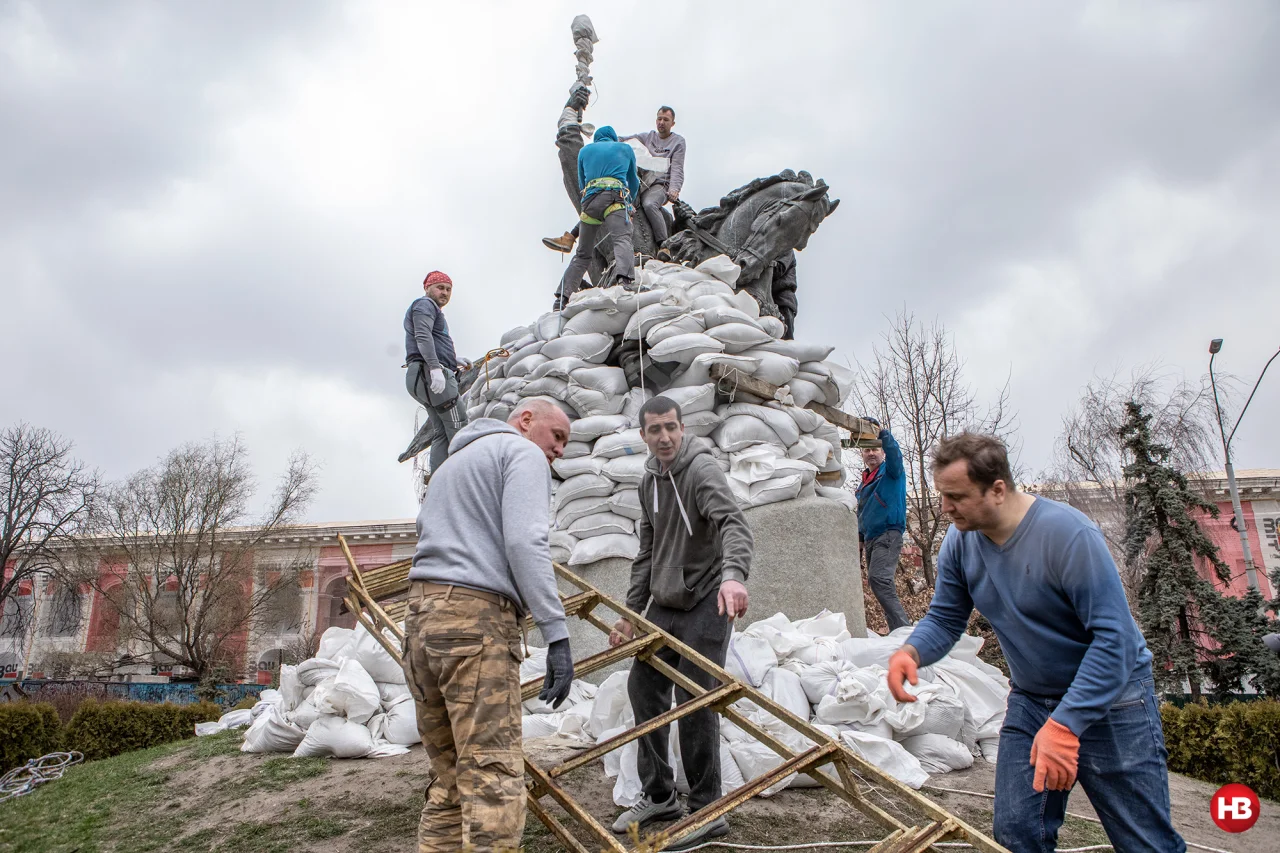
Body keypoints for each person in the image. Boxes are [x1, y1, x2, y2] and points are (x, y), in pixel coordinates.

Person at [886, 433, 1185, 853]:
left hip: (1115, 702)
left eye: (956, 496)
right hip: (1031, 700)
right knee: (1017, 832)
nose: (945, 507)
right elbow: (946, 617)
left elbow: (1114, 639)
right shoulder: (960, 540)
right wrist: (911, 652)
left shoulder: (1069, 536)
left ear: (998, 489)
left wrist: (1067, 725)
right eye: (942, 496)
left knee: (1144, 843)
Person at [403, 398, 576, 852]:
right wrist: (556, 631)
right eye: (557, 436)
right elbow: (525, 542)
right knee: (492, 777)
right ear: (525, 421)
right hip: (473, 620)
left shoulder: (452, 466)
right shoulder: (520, 453)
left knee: (449, 776)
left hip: (420, 620)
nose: (558, 450)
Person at [607, 396, 753, 850]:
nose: (665, 437)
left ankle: (707, 809)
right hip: (665, 603)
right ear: (643, 436)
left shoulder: (701, 470)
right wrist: (630, 617)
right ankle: (660, 796)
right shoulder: (647, 482)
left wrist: (733, 577)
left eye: (671, 427)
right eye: (655, 430)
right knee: (643, 687)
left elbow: (733, 524)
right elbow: (646, 557)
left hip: (709, 597)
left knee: (696, 697)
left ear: (682, 427)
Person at [544, 106, 686, 253]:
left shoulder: (677, 142)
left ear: (672, 123)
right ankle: (571, 237)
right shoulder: (648, 137)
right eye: (659, 119)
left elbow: (677, 167)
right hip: (642, 182)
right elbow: (624, 140)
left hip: (659, 185)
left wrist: (674, 189)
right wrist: (608, 144)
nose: (661, 122)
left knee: (649, 204)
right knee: (606, 202)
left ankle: (664, 245)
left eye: (666, 120)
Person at [554, 126, 640, 307]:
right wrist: (629, 202)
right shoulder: (624, 149)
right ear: (613, 138)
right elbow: (633, 180)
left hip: (590, 202)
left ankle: (562, 297)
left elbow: (581, 182)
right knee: (622, 239)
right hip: (615, 199)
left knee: (583, 254)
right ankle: (624, 281)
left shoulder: (585, 151)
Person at [404, 270, 470, 475]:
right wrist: (435, 367)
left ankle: (438, 481)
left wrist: (452, 361)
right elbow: (423, 336)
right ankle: (464, 478)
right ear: (427, 288)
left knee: (441, 432)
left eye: (448, 289)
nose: (445, 293)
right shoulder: (425, 305)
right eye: (440, 287)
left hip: (420, 377)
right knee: (459, 426)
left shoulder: (431, 309)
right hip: (429, 374)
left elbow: (428, 339)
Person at [855, 419, 912, 632]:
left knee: (879, 579)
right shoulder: (863, 484)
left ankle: (903, 631)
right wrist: (858, 546)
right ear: (862, 454)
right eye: (867, 450)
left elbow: (896, 453)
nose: (871, 453)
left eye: (875, 449)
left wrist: (882, 434)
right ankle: (897, 630)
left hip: (888, 532)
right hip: (870, 537)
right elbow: (861, 516)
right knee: (878, 583)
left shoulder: (891, 471)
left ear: (882, 452)